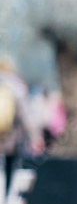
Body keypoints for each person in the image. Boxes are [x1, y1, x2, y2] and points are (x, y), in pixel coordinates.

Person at [0, 56, 43, 194]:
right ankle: (6, 196)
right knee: (9, 168)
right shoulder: (16, 86)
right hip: (11, 138)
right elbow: (26, 116)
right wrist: (35, 136)